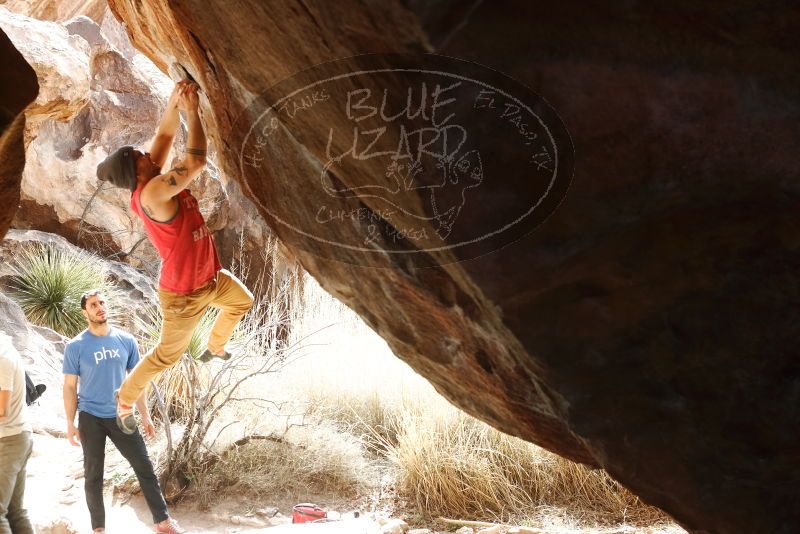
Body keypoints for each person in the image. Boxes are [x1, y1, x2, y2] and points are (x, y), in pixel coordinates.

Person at [95, 80, 254, 434]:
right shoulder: (152, 192)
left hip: (211, 279)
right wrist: (193, 111)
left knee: (242, 302)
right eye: (142, 159)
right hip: (182, 295)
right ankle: (123, 399)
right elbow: (195, 161)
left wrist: (174, 101)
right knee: (166, 356)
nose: (149, 157)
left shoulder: (148, 177)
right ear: (137, 174)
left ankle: (214, 347)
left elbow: (163, 138)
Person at [63, 290, 185, 534]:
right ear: (84, 311)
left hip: (123, 415)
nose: (99, 307)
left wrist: (146, 414)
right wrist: (70, 422)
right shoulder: (75, 346)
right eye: (93, 304)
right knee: (93, 475)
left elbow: (137, 380)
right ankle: (98, 528)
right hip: (90, 417)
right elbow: (69, 385)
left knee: (144, 467)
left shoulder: (126, 340)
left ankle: (162, 522)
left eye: (102, 302)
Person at [0, 333, 34, 534]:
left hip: (10, 441)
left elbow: (1, 409)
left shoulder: (2, 357)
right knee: (16, 512)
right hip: (18, 437)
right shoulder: (6, 348)